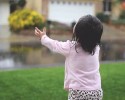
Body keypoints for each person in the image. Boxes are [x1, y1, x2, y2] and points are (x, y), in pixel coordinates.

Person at [35, 15, 103, 100]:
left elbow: (54, 45)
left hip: (78, 92)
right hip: (96, 91)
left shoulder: (71, 48)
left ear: (78, 32)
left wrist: (43, 37)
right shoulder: (96, 48)